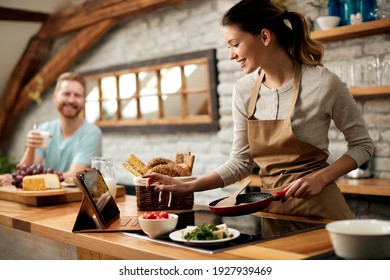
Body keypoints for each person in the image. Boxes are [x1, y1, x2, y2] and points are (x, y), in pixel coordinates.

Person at [143, 0, 374, 220]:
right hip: (272, 212)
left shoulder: (323, 83)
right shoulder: (244, 90)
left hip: (322, 212)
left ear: (264, 36)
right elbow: (241, 163)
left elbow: (363, 146)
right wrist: (189, 185)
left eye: (235, 44)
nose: (231, 55)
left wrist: (321, 178)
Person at [17, 72, 102, 180]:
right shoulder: (45, 130)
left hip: (77, 196)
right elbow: (23, 174)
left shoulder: (92, 133)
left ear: (84, 100)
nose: (71, 100)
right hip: (46, 195)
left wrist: (36, 177)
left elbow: (74, 175)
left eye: (77, 95)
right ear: (55, 96)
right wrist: (31, 148)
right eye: (66, 94)